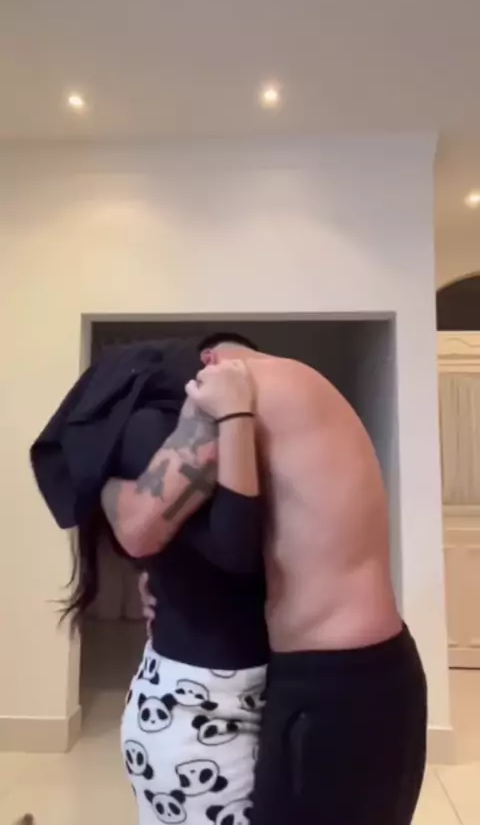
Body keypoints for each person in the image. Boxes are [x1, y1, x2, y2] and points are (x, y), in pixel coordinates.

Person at [118, 332, 427, 825]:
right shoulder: (312, 386)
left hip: (329, 689)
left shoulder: (231, 390)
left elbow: (139, 526)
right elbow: (286, 540)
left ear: (210, 360)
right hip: (386, 673)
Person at [100, 359, 269, 825]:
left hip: (200, 692)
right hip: (192, 706)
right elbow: (231, 549)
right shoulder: (151, 430)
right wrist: (235, 417)